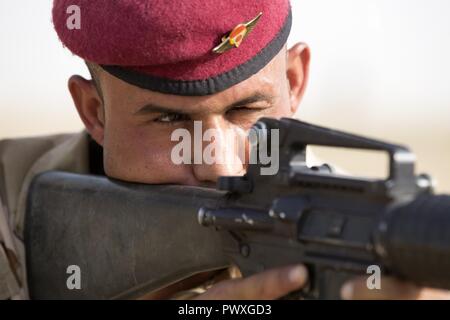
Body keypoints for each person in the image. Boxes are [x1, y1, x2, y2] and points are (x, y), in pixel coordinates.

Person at [0, 0, 448, 300]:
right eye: (169, 120)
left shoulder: (352, 230)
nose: (218, 163)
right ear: (95, 112)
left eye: (247, 110)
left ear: (293, 83)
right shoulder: (10, 213)